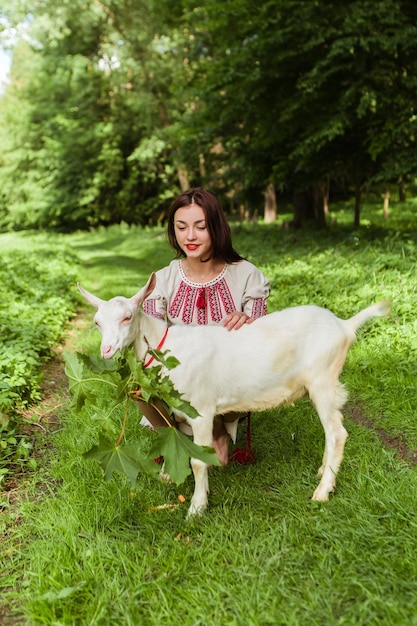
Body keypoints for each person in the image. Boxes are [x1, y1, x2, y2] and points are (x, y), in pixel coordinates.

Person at [139, 187, 270, 464]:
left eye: (200, 226)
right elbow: (151, 344)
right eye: (181, 227)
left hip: (227, 384)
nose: (190, 236)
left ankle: (218, 431)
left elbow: (264, 345)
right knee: (138, 383)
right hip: (178, 383)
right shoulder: (161, 281)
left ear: (216, 226)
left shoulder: (248, 276)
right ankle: (172, 440)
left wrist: (250, 324)